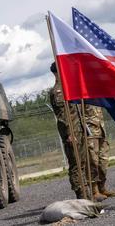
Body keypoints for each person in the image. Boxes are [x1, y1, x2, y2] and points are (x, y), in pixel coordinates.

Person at [49, 62, 87, 199]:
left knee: (82, 162)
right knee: (76, 164)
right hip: (72, 134)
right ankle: (81, 195)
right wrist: (70, 133)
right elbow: (63, 116)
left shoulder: (67, 88)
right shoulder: (58, 91)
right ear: (56, 72)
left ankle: (87, 194)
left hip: (78, 130)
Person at [84, 104, 115, 200]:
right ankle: (94, 191)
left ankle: (102, 188)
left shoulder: (94, 93)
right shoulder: (80, 92)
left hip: (101, 129)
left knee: (103, 160)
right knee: (92, 161)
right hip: (89, 131)